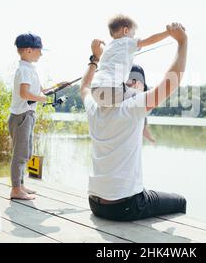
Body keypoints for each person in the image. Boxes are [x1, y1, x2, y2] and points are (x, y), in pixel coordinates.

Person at [80, 22, 188, 221]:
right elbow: (171, 83)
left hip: (95, 204)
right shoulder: (132, 107)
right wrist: (182, 42)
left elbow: (85, 87)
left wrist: (95, 59)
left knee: (145, 192)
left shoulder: (95, 107)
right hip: (125, 207)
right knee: (180, 201)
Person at [90, 14, 167, 142]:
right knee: (142, 97)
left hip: (95, 89)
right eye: (133, 33)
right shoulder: (127, 41)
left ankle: (125, 127)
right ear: (126, 31)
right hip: (112, 88)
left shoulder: (109, 47)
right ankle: (144, 129)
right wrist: (168, 33)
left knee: (124, 100)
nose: (134, 36)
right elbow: (150, 40)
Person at [8, 33, 66, 200]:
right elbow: (25, 93)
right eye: (39, 50)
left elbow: (42, 91)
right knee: (19, 154)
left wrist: (60, 85)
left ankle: (20, 185)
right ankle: (15, 189)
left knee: (26, 152)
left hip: (27, 115)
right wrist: (42, 98)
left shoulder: (29, 70)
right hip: (21, 116)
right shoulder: (24, 70)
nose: (41, 54)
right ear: (28, 50)